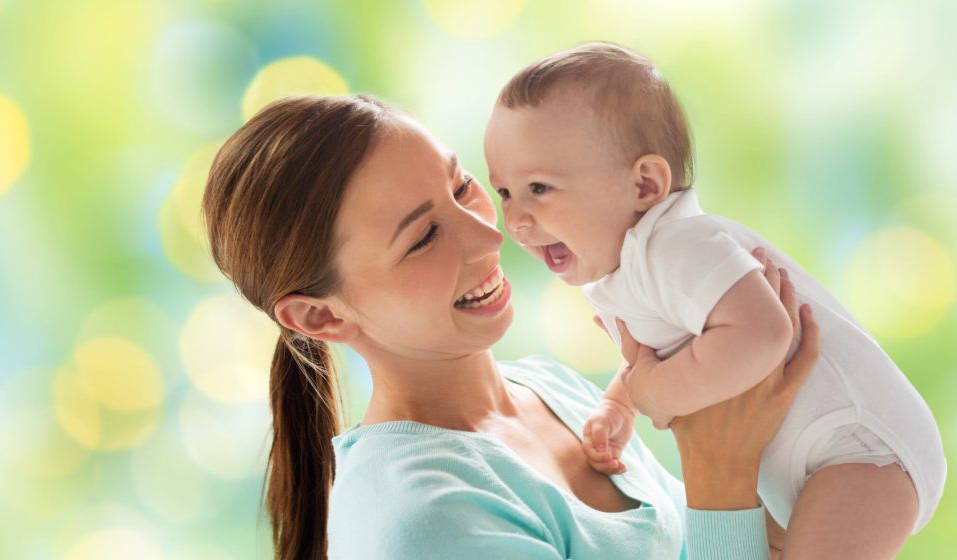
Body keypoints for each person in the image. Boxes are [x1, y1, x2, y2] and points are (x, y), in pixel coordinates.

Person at [202, 93, 820, 560]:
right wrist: (720, 469)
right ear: (320, 315)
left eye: (462, 186)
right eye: (423, 238)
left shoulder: (553, 392)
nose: (490, 232)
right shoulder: (423, 522)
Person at [482, 42, 947, 557]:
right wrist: (622, 403)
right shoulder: (626, 268)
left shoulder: (679, 247)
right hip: (813, 462)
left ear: (644, 184)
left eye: (540, 188)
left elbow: (764, 333)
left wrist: (657, 394)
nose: (516, 219)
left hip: (861, 451)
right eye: (504, 192)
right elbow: (668, 351)